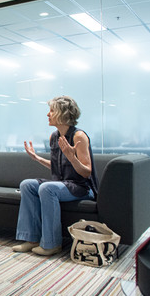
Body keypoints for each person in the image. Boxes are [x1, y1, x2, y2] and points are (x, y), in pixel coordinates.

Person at [13, 96, 99, 256]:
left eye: (52, 110)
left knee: (47, 188)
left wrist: (72, 157)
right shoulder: (54, 137)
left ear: (63, 113)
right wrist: (37, 158)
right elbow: (57, 167)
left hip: (81, 187)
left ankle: (51, 243)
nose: (48, 114)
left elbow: (86, 172)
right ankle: (32, 239)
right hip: (63, 184)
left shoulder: (79, 136)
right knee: (27, 184)